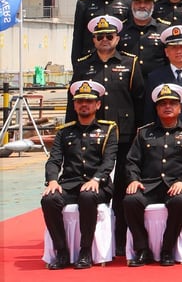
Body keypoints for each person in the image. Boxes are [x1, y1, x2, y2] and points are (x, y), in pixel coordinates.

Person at [70, 15, 145, 255]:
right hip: (92, 138)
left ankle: (121, 240)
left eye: (109, 36)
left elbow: (140, 101)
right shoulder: (83, 65)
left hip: (123, 136)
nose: (104, 40)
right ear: (93, 39)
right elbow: (74, 102)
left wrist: (140, 135)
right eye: (100, 36)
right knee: (93, 186)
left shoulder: (131, 63)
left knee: (123, 188)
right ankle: (91, 241)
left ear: (117, 38)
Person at [123, 83, 182, 266]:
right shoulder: (145, 133)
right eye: (163, 104)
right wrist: (134, 180)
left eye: (172, 103)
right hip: (149, 185)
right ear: (157, 108)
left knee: (178, 201)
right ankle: (143, 249)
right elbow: (132, 161)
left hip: (179, 185)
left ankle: (167, 249)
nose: (167, 107)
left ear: (180, 107)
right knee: (130, 200)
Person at [42, 81, 117, 270]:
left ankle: (85, 251)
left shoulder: (108, 130)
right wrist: (52, 180)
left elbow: (109, 160)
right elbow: (54, 160)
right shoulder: (64, 132)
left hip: (97, 185)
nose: (85, 104)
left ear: (98, 105)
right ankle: (61, 251)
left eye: (89, 101)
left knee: (88, 196)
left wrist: (96, 179)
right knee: (49, 200)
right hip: (70, 183)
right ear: (74, 105)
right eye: (80, 101)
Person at [118, 0, 167, 76]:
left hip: (156, 84)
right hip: (129, 85)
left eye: (146, 2)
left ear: (153, 5)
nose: (142, 5)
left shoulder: (163, 30)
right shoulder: (121, 29)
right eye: (138, 2)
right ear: (132, 4)